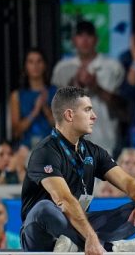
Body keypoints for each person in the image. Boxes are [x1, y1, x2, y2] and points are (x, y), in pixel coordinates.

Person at [20, 87, 135, 255]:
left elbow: (128, 182)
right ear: (69, 115)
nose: (94, 116)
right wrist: (91, 237)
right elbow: (64, 200)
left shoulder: (93, 151)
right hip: (41, 235)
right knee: (45, 209)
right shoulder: (45, 152)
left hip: (77, 228)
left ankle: (74, 246)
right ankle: (111, 248)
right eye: (87, 109)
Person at [51, 20, 126, 155]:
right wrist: (73, 84)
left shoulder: (113, 67)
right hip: (70, 145)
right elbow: (55, 110)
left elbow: (123, 108)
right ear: (74, 40)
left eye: (89, 35)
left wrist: (96, 87)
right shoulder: (62, 69)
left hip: (106, 143)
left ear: (96, 39)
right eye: (80, 35)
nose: (84, 40)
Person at [9, 48, 57, 149]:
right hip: (25, 149)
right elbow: (16, 132)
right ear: (25, 66)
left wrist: (45, 108)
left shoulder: (56, 92)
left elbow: (63, 127)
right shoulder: (16, 95)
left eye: (39, 61)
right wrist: (35, 111)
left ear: (44, 65)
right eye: (31, 62)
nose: (35, 66)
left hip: (51, 148)